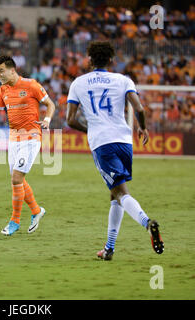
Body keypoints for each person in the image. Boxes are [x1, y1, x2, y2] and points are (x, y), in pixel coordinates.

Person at [66, 41, 164, 260]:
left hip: (102, 143)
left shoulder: (78, 83)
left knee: (121, 192)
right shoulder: (123, 80)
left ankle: (147, 223)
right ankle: (109, 249)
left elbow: (70, 120)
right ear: (111, 60)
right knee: (115, 194)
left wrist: (90, 129)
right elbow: (138, 108)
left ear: (89, 59)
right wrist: (143, 128)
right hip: (124, 141)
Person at [0, 55, 56, 236]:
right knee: (18, 179)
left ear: (12, 70)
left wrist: (47, 119)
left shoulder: (31, 85)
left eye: (1, 71)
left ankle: (14, 220)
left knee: (16, 178)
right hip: (14, 139)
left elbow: (50, 104)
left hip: (31, 136)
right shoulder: (3, 90)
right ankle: (37, 211)